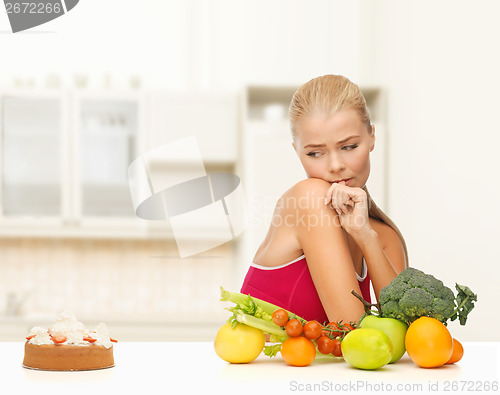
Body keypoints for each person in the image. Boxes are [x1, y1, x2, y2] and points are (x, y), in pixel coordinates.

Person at [240, 75, 408, 325]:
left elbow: (408, 334)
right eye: (315, 153)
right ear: (296, 151)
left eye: (349, 147)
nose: (336, 166)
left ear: (372, 137)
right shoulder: (309, 197)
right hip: (262, 363)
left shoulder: (383, 236)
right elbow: (351, 329)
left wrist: (364, 236)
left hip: (328, 366)